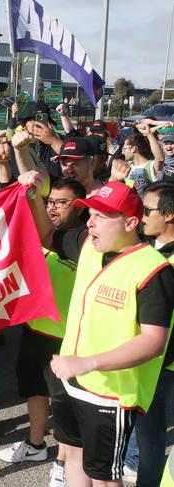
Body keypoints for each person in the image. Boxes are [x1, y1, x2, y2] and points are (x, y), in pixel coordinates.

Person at [21, 172, 174, 486]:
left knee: (104, 477)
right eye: (90, 214)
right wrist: (34, 195)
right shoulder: (89, 245)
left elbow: (153, 341)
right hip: (71, 379)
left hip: (109, 392)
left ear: (131, 223)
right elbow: (47, 235)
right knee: (74, 456)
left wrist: (88, 362)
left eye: (102, 216)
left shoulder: (154, 270)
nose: (90, 223)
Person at [0, 178, 86, 487]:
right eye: (51, 201)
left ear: (80, 206)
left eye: (62, 202)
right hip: (35, 328)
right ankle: (36, 445)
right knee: (34, 390)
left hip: (68, 338)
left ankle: (64, 461)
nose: (54, 207)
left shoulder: (82, 239)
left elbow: (49, 235)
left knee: (64, 405)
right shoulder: (40, 231)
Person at [122, 182, 174, 487]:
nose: (142, 216)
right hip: (144, 360)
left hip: (161, 365)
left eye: (148, 210)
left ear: (168, 215)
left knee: (152, 438)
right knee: (145, 435)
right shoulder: (143, 247)